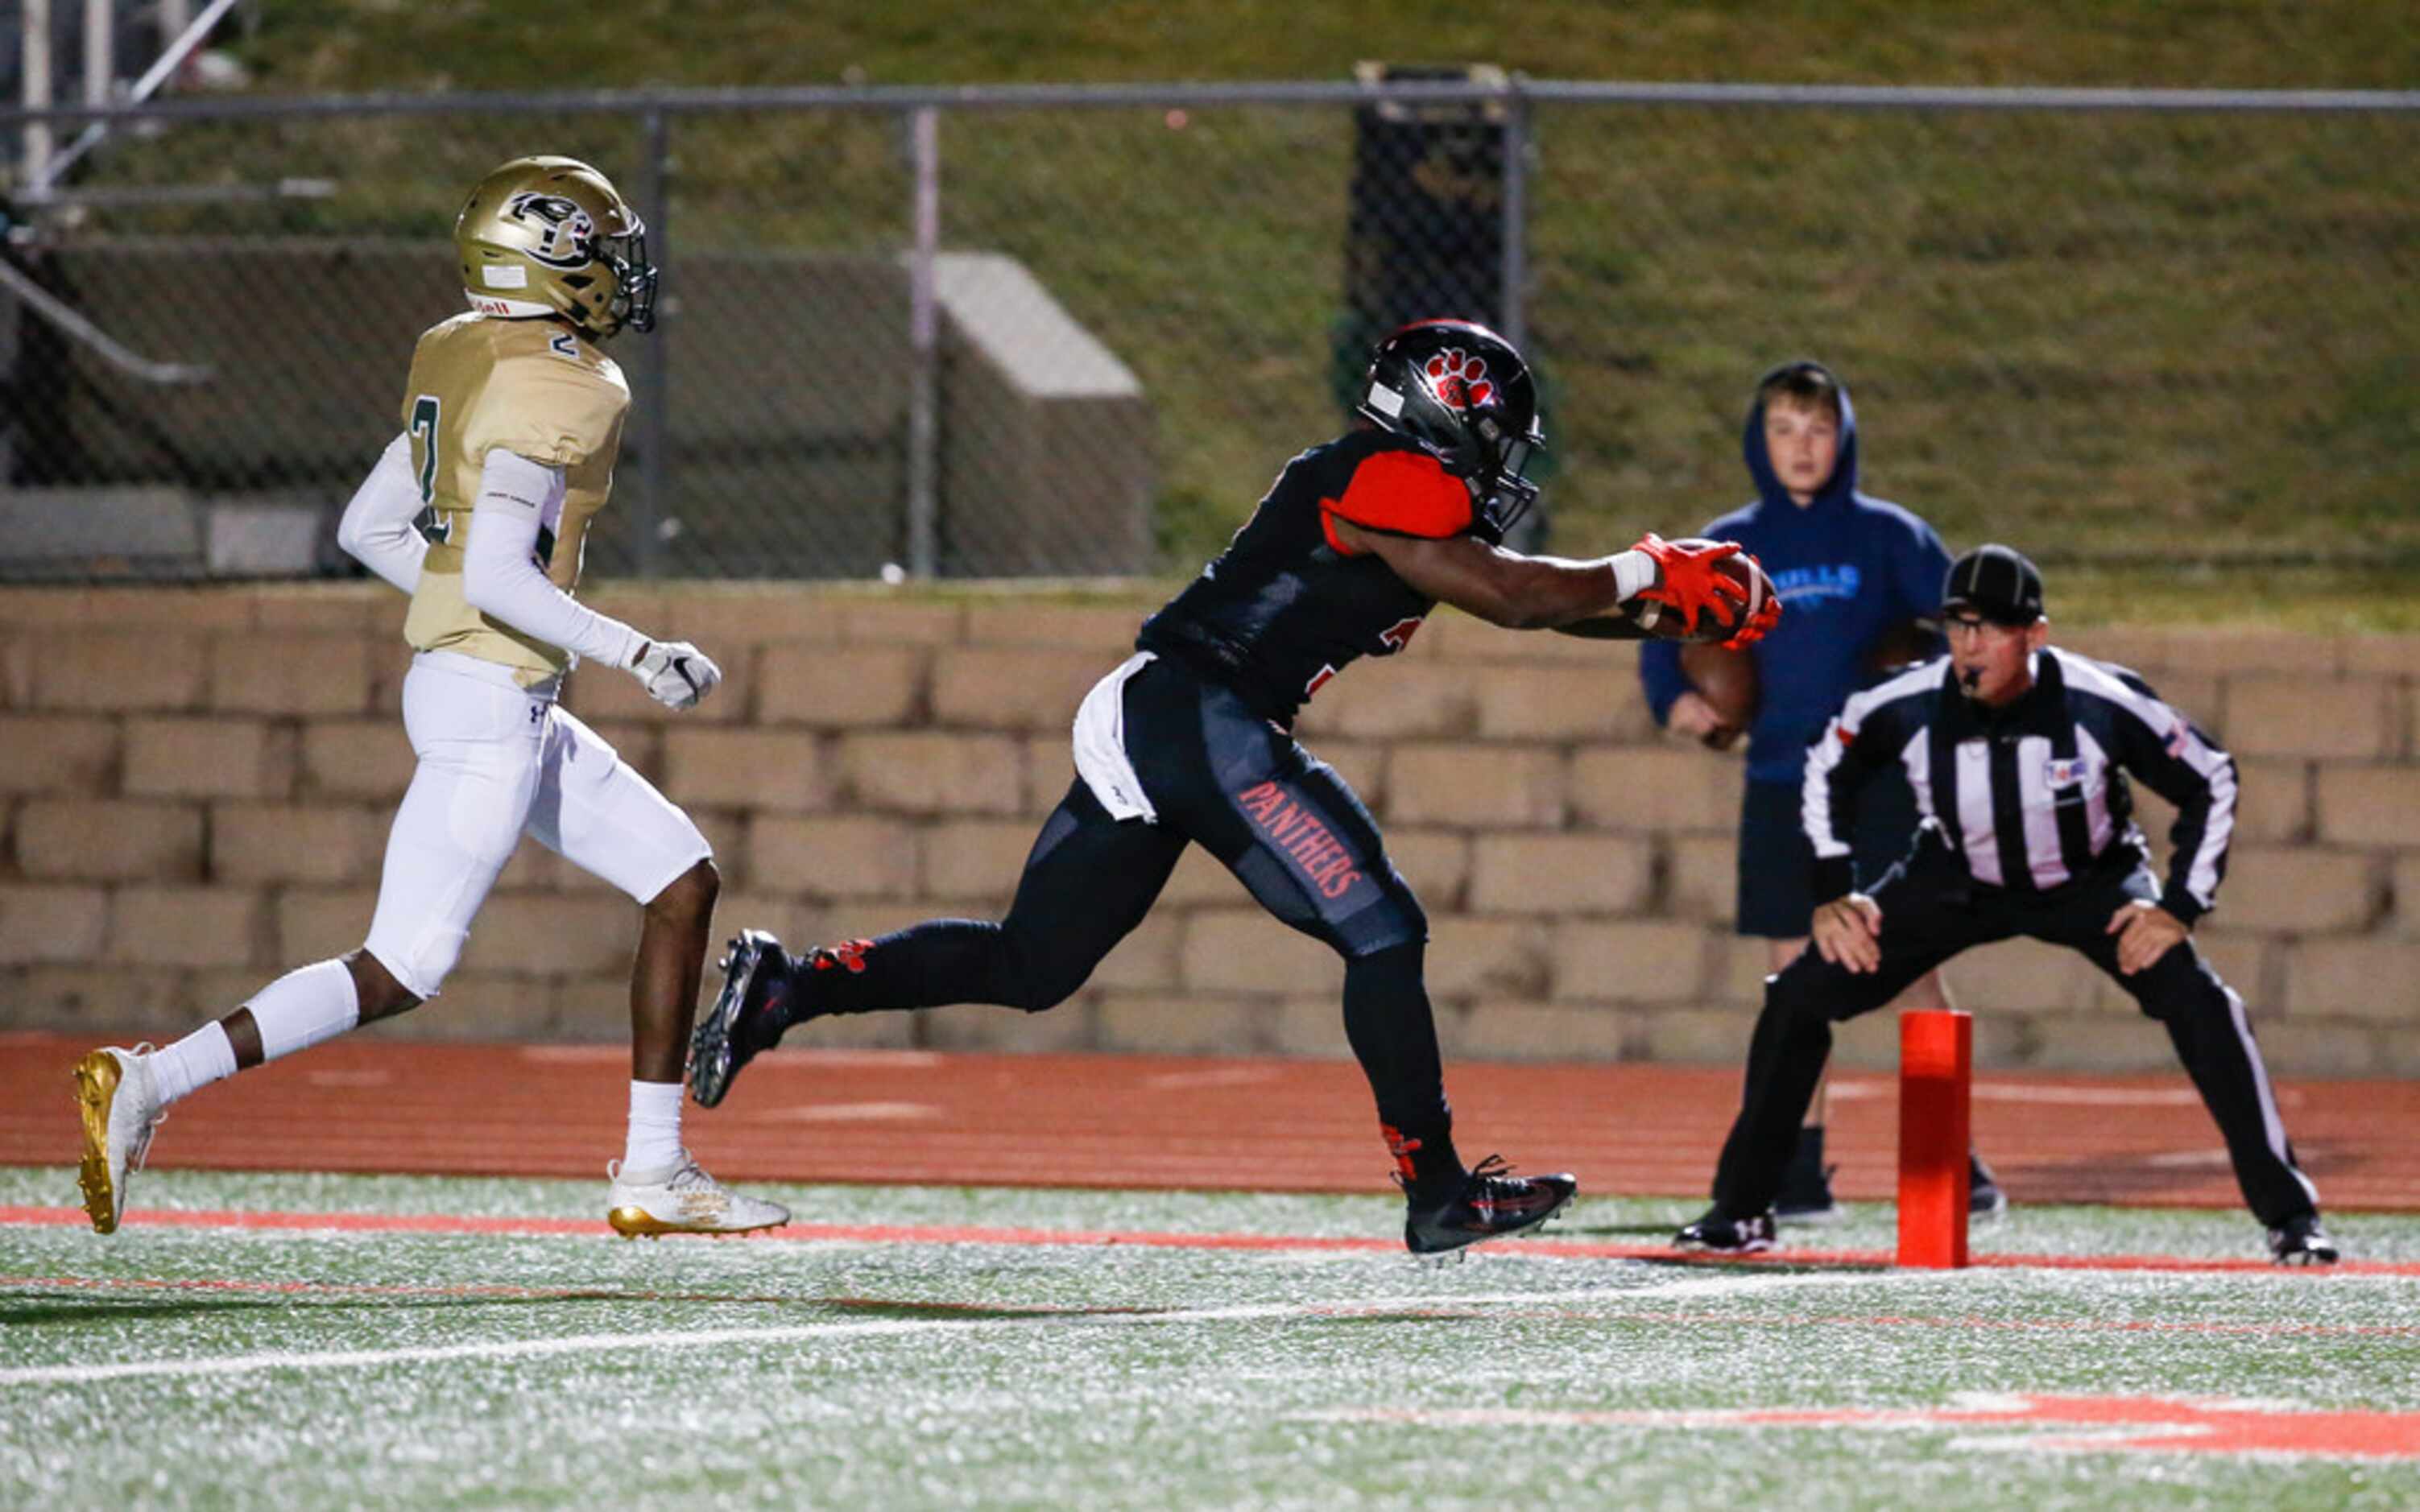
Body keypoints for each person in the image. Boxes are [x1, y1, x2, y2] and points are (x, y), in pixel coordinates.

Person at [686, 318, 1780, 1254]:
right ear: (1444, 414)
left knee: (1033, 964)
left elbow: (1533, 596)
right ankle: (1439, 1190)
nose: (1500, 459)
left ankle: (792, 985)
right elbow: (1512, 595)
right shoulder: (1384, 472)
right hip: (1195, 710)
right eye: (1492, 432)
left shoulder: (1401, 495)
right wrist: (1650, 571)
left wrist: (1665, 609)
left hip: (1175, 712)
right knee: (1380, 929)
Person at [72, 156, 787, 1241]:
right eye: (592, 248)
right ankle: (151, 1077)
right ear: (540, 258)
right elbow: (499, 574)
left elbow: (372, 528)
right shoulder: (561, 377)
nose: (612, 270)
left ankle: (654, 1170)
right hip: (489, 700)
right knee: (403, 963)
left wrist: (480, 615)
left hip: (487, 687)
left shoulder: (458, 348)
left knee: (680, 877)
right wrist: (639, 652)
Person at [1675, 545, 2338, 1265]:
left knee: (2205, 1006)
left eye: (1988, 630)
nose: (1969, 647)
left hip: (2091, 881)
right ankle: (1738, 1211)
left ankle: (2290, 1217)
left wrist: (2178, 906)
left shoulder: (2097, 701)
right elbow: (1828, 761)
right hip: (1954, 877)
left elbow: (2211, 775)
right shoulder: (1909, 701)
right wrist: (1834, 893)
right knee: (1799, 995)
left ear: (2035, 635)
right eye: (1957, 628)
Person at [1638, 360, 2003, 1222]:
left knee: (1910, 962)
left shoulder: (1888, 537)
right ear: (1756, 443)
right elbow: (1664, 634)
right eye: (1782, 430)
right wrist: (1676, 703)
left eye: (1816, 428)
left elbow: (1960, 622)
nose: (1800, 447)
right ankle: (1796, 1173)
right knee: (1788, 976)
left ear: (1841, 438)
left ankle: (1950, 1163)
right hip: (1777, 780)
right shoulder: (1729, 541)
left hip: (1877, 785)